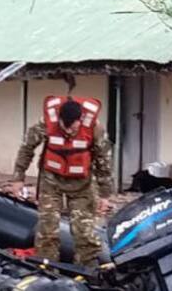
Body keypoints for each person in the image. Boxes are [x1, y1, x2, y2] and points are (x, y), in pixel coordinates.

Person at [11, 96, 113, 266]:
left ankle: (88, 270)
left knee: (84, 233)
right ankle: (47, 268)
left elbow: (104, 161)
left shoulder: (95, 128)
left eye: (73, 128)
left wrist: (105, 195)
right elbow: (27, 148)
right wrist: (18, 178)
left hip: (82, 185)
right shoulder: (46, 123)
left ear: (80, 120)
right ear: (59, 120)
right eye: (65, 128)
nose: (69, 132)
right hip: (51, 181)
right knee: (47, 230)